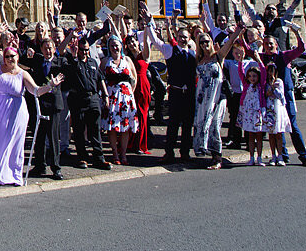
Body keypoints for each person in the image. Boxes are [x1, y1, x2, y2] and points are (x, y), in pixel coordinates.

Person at [0, 45, 61, 186]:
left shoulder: (23, 73)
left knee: (12, 142)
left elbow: (36, 91)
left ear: (17, 57)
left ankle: (10, 173)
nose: (9, 59)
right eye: (7, 56)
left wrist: (50, 85)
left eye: (12, 56)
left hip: (16, 111)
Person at [145, 11, 197, 164]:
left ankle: (185, 152)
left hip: (189, 93)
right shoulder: (170, 50)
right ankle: (169, 153)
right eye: (180, 37)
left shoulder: (194, 54)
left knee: (187, 125)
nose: (182, 39)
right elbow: (155, 41)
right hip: (175, 92)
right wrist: (149, 23)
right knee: (173, 124)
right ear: (177, 37)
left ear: (189, 39)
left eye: (185, 37)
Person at [259, 21, 306, 166]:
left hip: (286, 96)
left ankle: (303, 155)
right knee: (278, 127)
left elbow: (301, 48)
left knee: (292, 125)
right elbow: (247, 51)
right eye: (266, 44)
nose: (269, 46)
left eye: (271, 44)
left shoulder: (284, 56)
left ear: (276, 44)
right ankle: (283, 155)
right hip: (272, 98)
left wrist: (296, 32)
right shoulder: (263, 57)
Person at [192, 23, 245, 168]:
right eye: (201, 42)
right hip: (203, 97)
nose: (204, 44)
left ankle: (217, 158)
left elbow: (230, 43)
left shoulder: (218, 56)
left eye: (206, 41)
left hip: (218, 96)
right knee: (203, 123)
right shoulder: (199, 59)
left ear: (211, 41)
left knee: (215, 124)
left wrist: (239, 30)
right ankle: (205, 150)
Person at [58, 28, 108, 169]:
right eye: (82, 49)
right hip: (77, 99)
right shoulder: (71, 60)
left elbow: (100, 78)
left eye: (86, 50)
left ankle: (99, 158)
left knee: (95, 130)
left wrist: (105, 95)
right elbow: (60, 50)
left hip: (93, 98)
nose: (84, 52)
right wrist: (69, 38)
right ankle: (82, 158)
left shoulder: (92, 62)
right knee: (79, 131)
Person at [25, 35, 67, 180]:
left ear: (54, 49)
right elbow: (23, 61)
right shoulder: (37, 60)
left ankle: (56, 168)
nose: (48, 51)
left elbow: (69, 71)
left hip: (54, 104)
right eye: (45, 48)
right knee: (39, 136)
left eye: (50, 48)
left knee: (53, 137)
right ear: (41, 50)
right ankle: (39, 166)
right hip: (40, 104)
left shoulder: (61, 62)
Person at [100, 34, 138, 165]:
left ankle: (124, 154)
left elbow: (134, 78)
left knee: (125, 127)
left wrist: (130, 93)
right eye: (112, 46)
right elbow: (101, 79)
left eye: (117, 45)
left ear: (121, 46)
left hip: (126, 98)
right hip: (112, 98)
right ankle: (115, 153)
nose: (114, 48)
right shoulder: (105, 61)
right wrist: (105, 96)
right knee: (112, 127)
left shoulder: (127, 60)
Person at [236, 60, 268, 166]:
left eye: (254, 76)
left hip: (257, 114)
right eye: (250, 76)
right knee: (250, 136)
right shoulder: (246, 85)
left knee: (259, 136)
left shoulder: (261, 86)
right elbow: (240, 72)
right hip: (248, 114)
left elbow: (263, 71)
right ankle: (251, 157)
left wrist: (259, 61)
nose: (252, 78)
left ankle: (259, 157)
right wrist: (240, 61)